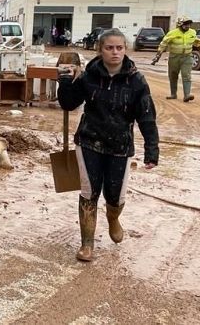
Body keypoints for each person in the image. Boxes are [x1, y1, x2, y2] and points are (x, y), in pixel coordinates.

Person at [57, 28, 159, 262]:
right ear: (100, 50)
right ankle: (87, 244)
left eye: (119, 48)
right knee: (88, 192)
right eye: (109, 48)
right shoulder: (88, 76)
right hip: (89, 141)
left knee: (115, 196)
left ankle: (113, 217)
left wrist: (152, 151)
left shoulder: (136, 81)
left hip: (120, 146)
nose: (115, 52)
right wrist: (64, 80)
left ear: (125, 49)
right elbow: (68, 103)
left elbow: (146, 117)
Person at [153, 17, 196, 102]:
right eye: (185, 24)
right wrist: (158, 55)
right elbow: (163, 44)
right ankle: (173, 94)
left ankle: (187, 95)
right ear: (180, 24)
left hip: (187, 57)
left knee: (186, 75)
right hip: (174, 57)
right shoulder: (172, 33)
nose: (188, 26)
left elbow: (195, 41)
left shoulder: (192, 32)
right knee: (173, 75)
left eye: (189, 24)